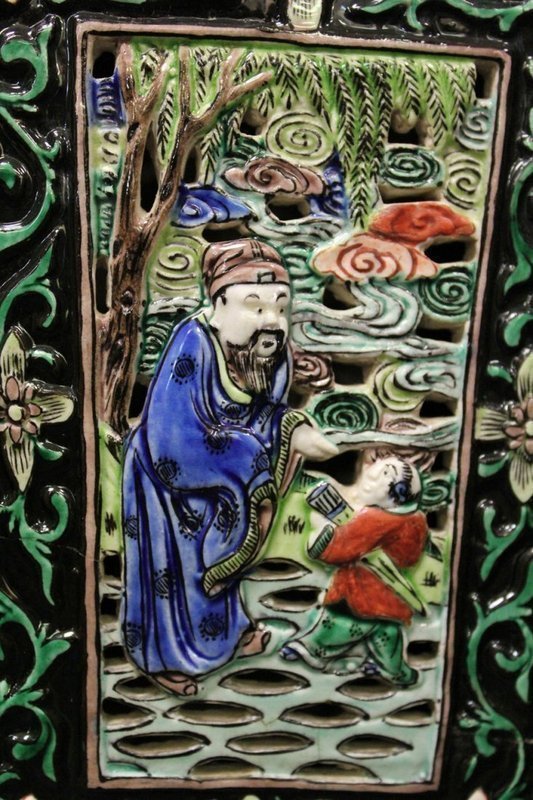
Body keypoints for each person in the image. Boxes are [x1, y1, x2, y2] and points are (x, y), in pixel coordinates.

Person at [121, 239, 336, 695]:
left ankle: (230, 637)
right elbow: (170, 432)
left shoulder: (269, 352)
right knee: (174, 575)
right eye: (254, 307)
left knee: (225, 554)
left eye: (280, 307)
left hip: (226, 480)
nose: (271, 320)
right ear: (218, 306)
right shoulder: (193, 342)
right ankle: (165, 659)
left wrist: (290, 427)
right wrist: (249, 454)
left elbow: (266, 411)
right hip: (167, 479)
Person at [281, 457, 428, 686]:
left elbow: (342, 548)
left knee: (345, 621)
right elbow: (409, 558)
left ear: (395, 495)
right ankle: (395, 671)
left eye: (385, 474)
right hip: (388, 592)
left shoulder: (377, 520)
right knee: (386, 632)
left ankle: (312, 648)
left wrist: (326, 534)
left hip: (366, 591)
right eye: (376, 467)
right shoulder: (413, 520)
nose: (372, 473)